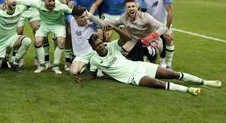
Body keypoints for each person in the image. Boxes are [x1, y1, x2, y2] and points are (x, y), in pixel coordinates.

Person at [78, 33, 221, 96]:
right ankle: (188, 90)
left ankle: (205, 81)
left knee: (172, 74)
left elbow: (127, 38)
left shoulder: (111, 46)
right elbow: (92, 74)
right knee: (157, 83)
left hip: (139, 66)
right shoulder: (95, 60)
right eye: (97, 45)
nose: (101, 46)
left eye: (100, 43)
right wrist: (83, 79)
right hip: (131, 78)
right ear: (93, 48)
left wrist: (115, 28)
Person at [88, 0, 168, 62]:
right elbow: (103, 24)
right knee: (123, 54)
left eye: (133, 6)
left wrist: (150, 37)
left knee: (146, 55)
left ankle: (150, 60)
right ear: (125, 9)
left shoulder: (145, 17)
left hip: (153, 43)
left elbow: (163, 27)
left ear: (137, 8)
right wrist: (89, 15)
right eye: (129, 7)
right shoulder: (123, 18)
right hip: (136, 43)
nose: (131, 8)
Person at [17, 0, 72, 74]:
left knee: (61, 41)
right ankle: (42, 65)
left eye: (53, 0)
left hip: (58, 25)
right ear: (44, 0)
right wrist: (11, 1)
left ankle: (55, 66)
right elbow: (27, 1)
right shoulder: (39, 4)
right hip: (44, 24)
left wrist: (85, 15)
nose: (52, 3)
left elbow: (73, 12)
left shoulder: (61, 6)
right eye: (49, 1)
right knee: (37, 41)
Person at [0, 0, 32, 72]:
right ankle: (2, 59)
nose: (14, 1)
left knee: (27, 41)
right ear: (5, 1)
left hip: (12, 39)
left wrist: (19, 1)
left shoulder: (20, 8)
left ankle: (15, 62)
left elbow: (31, 2)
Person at [138, 0, 174, 68]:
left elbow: (170, 12)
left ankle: (166, 63)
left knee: (168, 38)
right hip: (149, 23)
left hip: (162, 21)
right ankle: (145, 60)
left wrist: (168, 27)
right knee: (145, 41)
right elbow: (137, 8)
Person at [69, 6, 96, 75]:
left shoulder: (92, 24)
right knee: (73, 72)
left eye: (85, 16)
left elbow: (102, 27)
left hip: (93, 52)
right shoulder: (71, 20)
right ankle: (87, 64)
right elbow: (65, 12)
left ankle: (93, 64)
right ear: (76, 18)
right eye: (82, 17)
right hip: (80, 55)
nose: (85, 18)